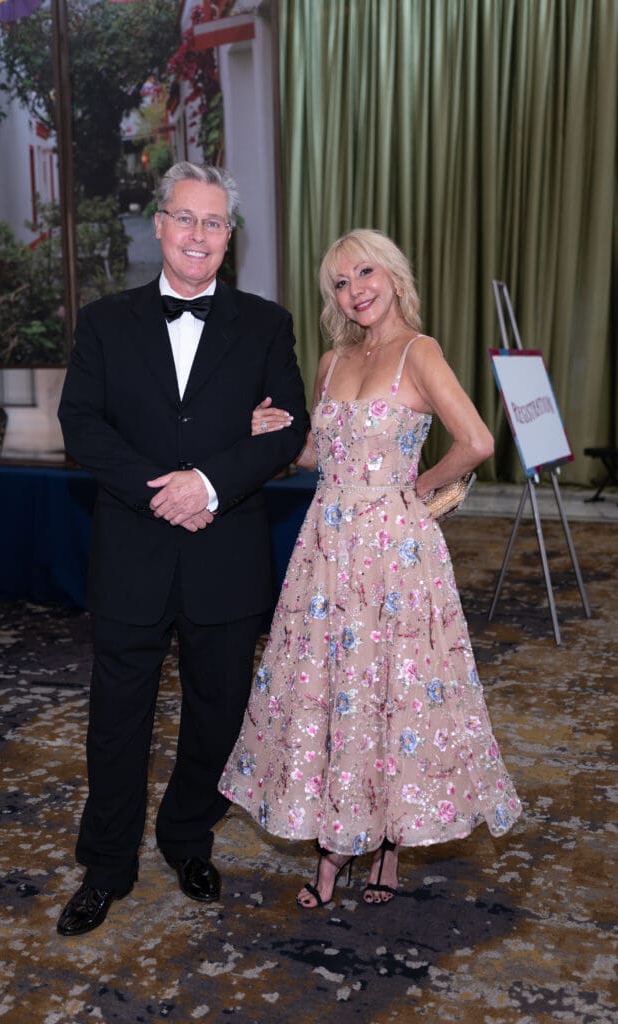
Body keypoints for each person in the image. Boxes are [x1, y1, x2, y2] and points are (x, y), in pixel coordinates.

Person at [220, 228, 521, 908]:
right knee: (329, 692)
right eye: (339, 282)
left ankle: (383, 840)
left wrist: (416, 491)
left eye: (364, 273)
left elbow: (474, 440)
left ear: (390, 275)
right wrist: (276, 432)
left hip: (392, 553)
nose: (354, 290)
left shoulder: (420, 352)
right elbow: (314, 456)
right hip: (325, 550)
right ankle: (335, 841)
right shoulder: (331, 360)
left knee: (391, 691)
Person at [56, 161, 308, 935]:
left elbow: (290, 427)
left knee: (219, 714)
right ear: (158, 226)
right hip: (132, 549)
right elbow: (83, 427)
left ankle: (187, 836)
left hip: (225, 553)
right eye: (185, 218)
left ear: (228, 239)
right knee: (117, 719)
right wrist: (165, 490)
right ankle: (106, 865)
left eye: (214, 222)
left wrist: (207, 484)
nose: (198, 234)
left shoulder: (265, 324)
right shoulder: (103, 322)